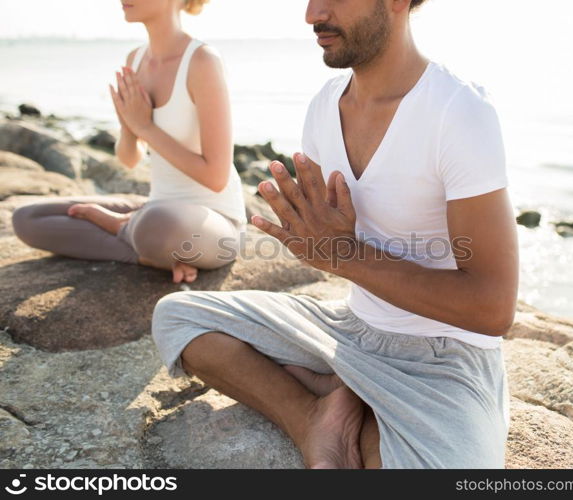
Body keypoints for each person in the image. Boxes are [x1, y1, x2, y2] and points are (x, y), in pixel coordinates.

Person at [151, 0, 519, 468]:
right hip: (350, 331)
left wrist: (343, 256)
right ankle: (314, 418)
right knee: (178, 317)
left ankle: (348, 393)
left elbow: (493, 309)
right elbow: (323, 241)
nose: (312, 14)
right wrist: (320, 244)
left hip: (443, 358)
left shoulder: (458, 111)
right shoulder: (326, 105)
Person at [11, 0, 247, 284]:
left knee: (158, 224)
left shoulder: (202, 61)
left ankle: (125, 227)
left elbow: (216, 176)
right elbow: (129, 158)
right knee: (27, 219)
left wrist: (144, 126)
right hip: (155, 208)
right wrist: (129, 126)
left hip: (214, 224)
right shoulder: (135, 60)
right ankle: (146, 254)